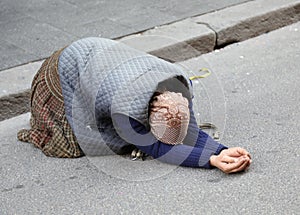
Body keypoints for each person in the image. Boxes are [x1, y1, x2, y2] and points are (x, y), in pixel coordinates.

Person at [18, 37, 251, 173]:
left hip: (105, 62)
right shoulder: (125, 109)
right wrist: (211, 161)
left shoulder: (180, 87)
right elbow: (160, 149)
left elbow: (190, 134)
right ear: (145, 115)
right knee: (71, 143)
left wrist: (222, 150)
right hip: (68, 66)